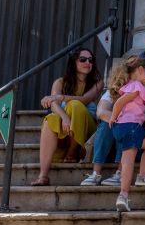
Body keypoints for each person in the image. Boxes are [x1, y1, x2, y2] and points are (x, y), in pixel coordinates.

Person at [31, 48, 103, 186]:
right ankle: (43, 175)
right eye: (83, 59)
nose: (87, 62)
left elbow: (84, 99)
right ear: (74, 62)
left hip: (88, 132)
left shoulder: (97, 83)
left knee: (75, 105)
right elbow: (53, 105)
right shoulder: (60, 82)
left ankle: (73, 151)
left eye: (90, 60)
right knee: (50, 119)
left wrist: (61, 97)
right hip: (66, 130)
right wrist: (64, 117)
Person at [107, 56, 145, 212]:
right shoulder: (137, 86)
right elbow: (119, 102)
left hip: (127, 128)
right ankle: (123, 195)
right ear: (140, 70)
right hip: (130, 126)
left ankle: (143, 176)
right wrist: (112, 117)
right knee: (128, 162)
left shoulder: (131, 86)